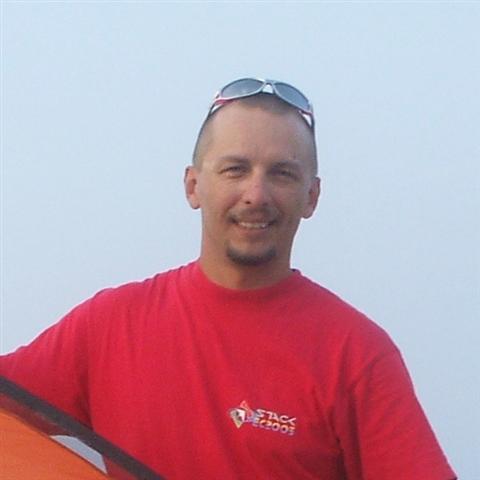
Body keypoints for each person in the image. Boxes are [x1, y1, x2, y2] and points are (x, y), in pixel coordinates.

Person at [0, 78, 456, 479]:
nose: (256, 194)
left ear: (311, 196)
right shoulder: (109, 326)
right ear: (193, 186)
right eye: (235, 169)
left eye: (282, 174)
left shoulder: (356, 354)